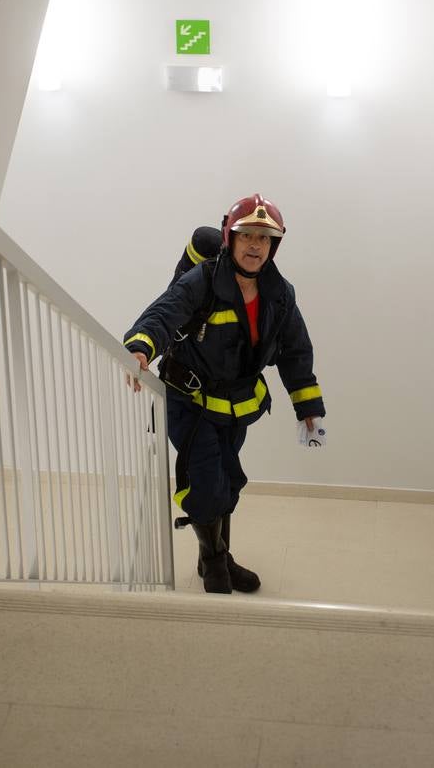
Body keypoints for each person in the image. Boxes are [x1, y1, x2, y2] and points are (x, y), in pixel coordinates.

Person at [123, 194, 326, 594]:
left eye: (265, 239)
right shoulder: (201, 282)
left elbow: (296, 350)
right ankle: (217, 564)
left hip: (236, 406)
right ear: (229, 239)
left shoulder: (280, 294)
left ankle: (213, 557)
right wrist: (141, 346)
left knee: (228, 481)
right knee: (205, 484)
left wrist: (307, 407)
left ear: (274, 246)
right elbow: (165, 312)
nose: (255, 245)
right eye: (247, 235)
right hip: (190, 404)